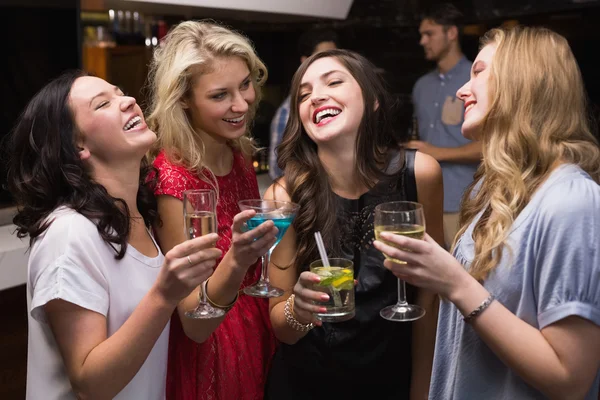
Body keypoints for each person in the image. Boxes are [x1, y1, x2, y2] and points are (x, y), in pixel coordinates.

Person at [375, 26, 600, 399]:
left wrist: (455, 283)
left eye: (478, 72)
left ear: (523, 80)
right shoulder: (489, 190)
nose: (463, 90)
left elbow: (568, 379)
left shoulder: (573, 202)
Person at [7, 71, 223, 399]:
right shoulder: (68, 234)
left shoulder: (139, 219)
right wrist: (164, 296)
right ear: (77, 143)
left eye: (121, 92)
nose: (129, 101)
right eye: (104, 103)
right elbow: (90, 385)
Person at [263, 49, 444, 399]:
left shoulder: (420, 174)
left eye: (333, 82)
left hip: (392, 378)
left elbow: (430, 294)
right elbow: (282, 328)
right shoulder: (283, 196)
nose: (316, 96)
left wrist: (423, 387)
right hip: (308, 383)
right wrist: (297, 310)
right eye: (304, 94)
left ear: (373, 99)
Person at [145, 20, 279, 400]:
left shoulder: (239, 153)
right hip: (213, 344)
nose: (242, 104)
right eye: (220, 95)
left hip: (254, 322)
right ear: (184, 98)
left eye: (245, 85)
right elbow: (192, 314)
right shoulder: (173, 178)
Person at [410, 3, 480, 248]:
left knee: (467, 275)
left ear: (451, 34)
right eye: (421, 34)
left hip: (466, 200)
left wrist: (438, 152)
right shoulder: (421, 86)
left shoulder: (477, 78)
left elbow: (492, 145)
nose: (422, 41)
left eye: (429, 34)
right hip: (424, 202)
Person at [268, 27, 338, 180]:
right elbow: (278, 172)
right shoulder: (288, 113)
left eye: (334, 55)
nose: (331, 62)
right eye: (322, 56)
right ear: (305, 61)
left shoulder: (340, 101)